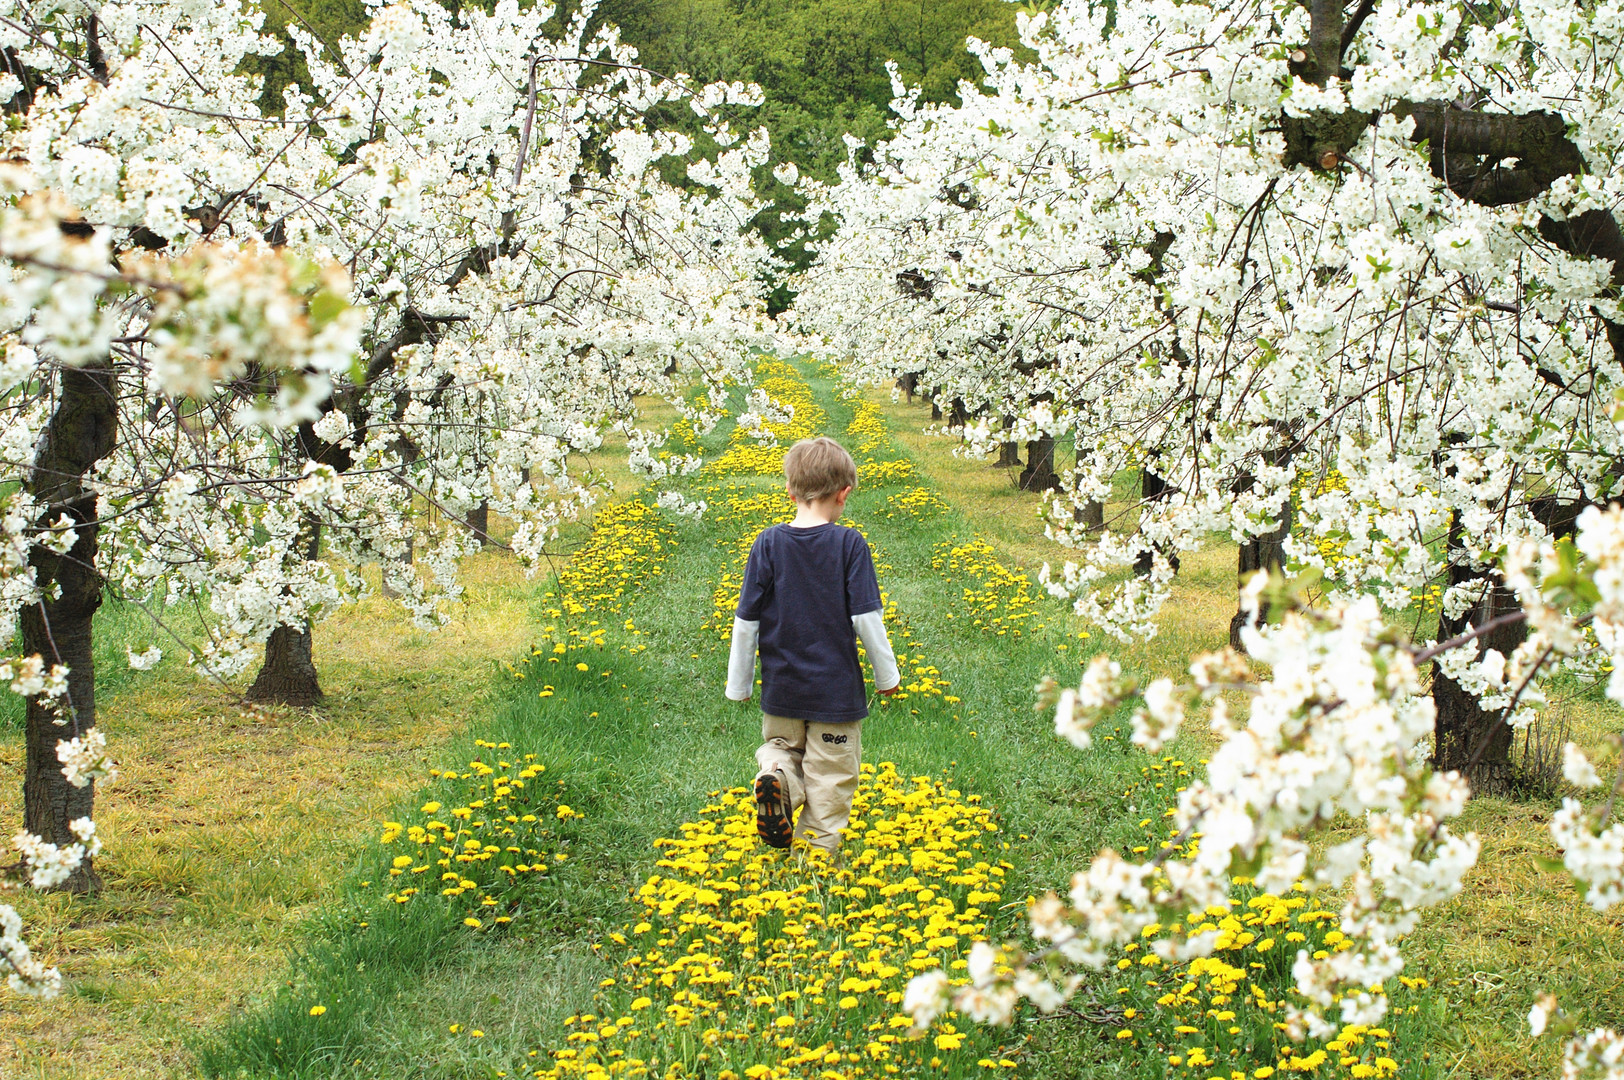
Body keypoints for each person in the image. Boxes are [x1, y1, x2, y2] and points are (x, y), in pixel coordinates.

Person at [725, 436, 901, 853]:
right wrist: (886, 676)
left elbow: (746, 620)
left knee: (781, 749)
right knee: (830, 776)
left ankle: (779, 778)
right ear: (844, 494)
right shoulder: (849, 545)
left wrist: (740, 685)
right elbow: (865, 619)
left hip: (781, 691)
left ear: (790, 492)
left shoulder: (767, 542)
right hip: (835, 695)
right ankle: (816, 858)